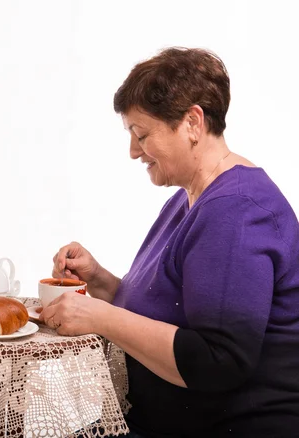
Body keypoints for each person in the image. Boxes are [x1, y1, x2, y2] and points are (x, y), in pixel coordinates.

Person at [42, 47, 299, 437]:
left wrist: (98, 317)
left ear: (192, 122)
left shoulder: (237, 211)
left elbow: (218, 360)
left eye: (141, 134)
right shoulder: (189, 198)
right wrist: (99, 281)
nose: (133, 151)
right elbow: (165, 315)